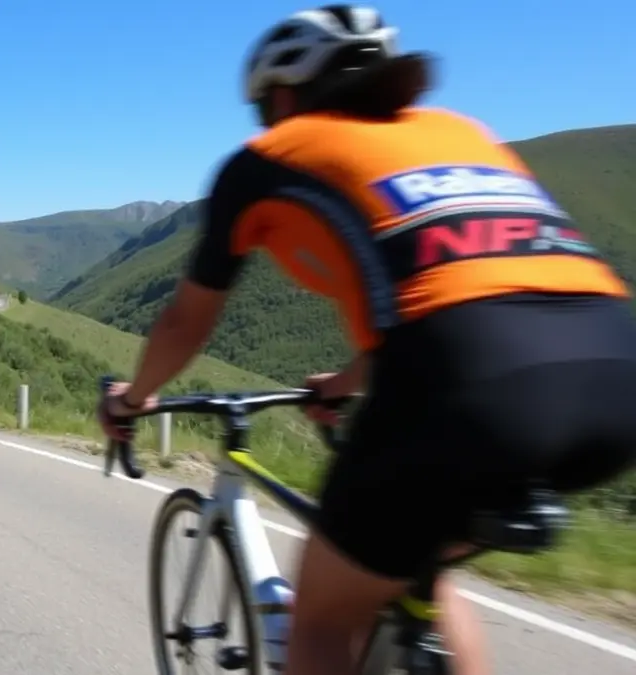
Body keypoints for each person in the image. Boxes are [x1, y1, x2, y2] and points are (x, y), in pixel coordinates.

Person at [97, 5, 636, 675]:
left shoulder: (268, 158)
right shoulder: (461, 132)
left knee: (323, 618)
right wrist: (350, 379)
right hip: (615, 372)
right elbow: (471, 280)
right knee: (418, 568)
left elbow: (186, 319)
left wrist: (133, 399)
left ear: (285, 97)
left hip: (466, 386)